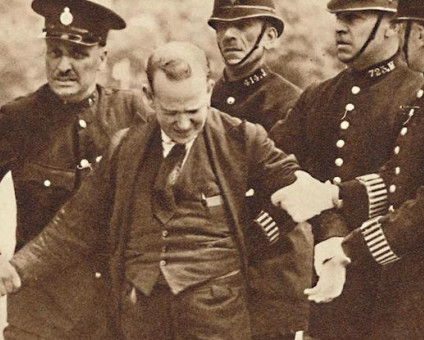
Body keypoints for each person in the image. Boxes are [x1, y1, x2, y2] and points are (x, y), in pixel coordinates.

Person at [0, 41, 335, 340]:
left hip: (217, 319)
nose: (183, 124)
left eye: (193, 111)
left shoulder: (243, 139)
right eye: (170, 112)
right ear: (149, 96)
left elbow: (295, 180)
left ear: (208, 90)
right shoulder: (125, 147)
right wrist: (20, 267)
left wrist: (303, 195)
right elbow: (76, 223)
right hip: (140, 316)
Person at [282, 0, 424, 338]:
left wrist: (351, 249)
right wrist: (334, 196)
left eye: (403, 26)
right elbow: (398, 178)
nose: (340, 27)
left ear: (418, 32)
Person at [0, 0, 146, 339]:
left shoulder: (131, 113)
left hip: (113, 317)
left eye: (78, 54)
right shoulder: (18, 119)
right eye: (55, 51)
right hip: (40, 317)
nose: (63, 65)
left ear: (102, 58)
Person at [208, 1, 310, 339]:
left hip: (271, 268)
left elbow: (291, 199)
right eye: (222, 26)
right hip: (213, 272)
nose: (230, 35)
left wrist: (240, 245)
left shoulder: (289, 102)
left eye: (243, 25)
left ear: (269, 35)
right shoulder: (207, 96)